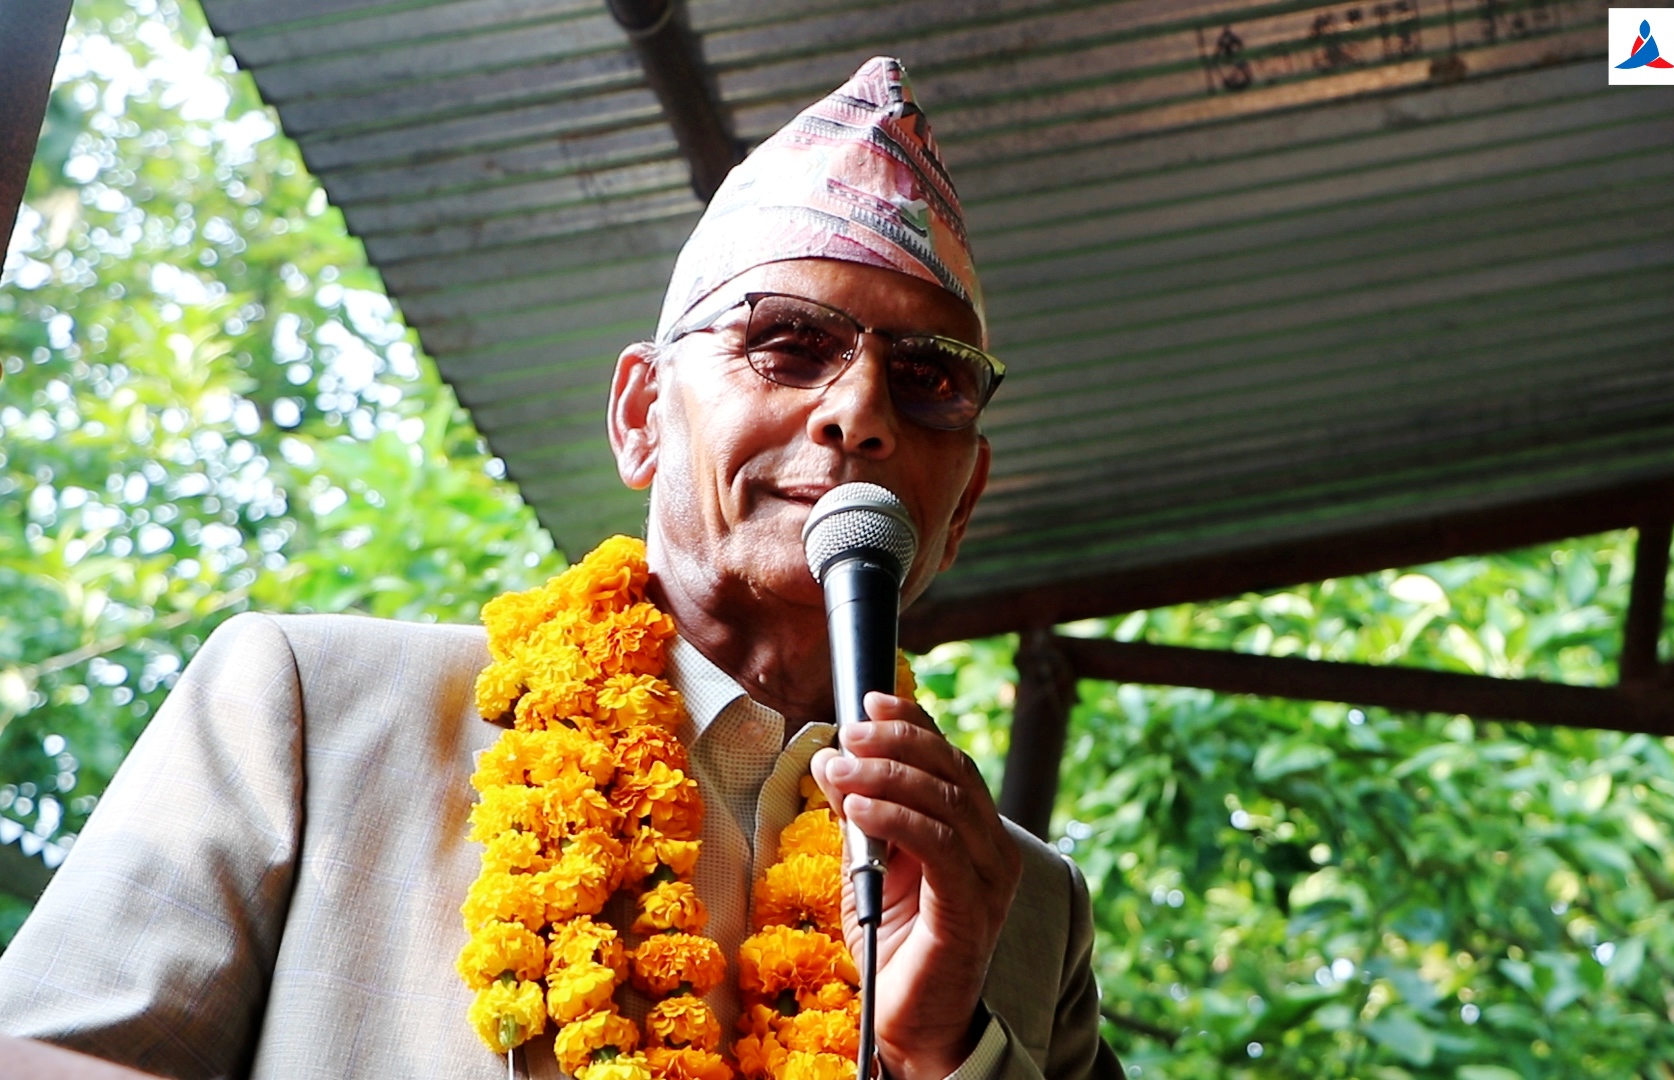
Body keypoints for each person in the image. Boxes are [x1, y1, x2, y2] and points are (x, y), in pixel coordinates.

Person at [0, 56, 1123, 1080]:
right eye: (789, 342)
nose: (860, 413)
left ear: (963, 502)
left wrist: (950, 1055)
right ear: (642, 416)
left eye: (930, 380)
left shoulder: (1024, 907)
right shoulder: (314, 710)